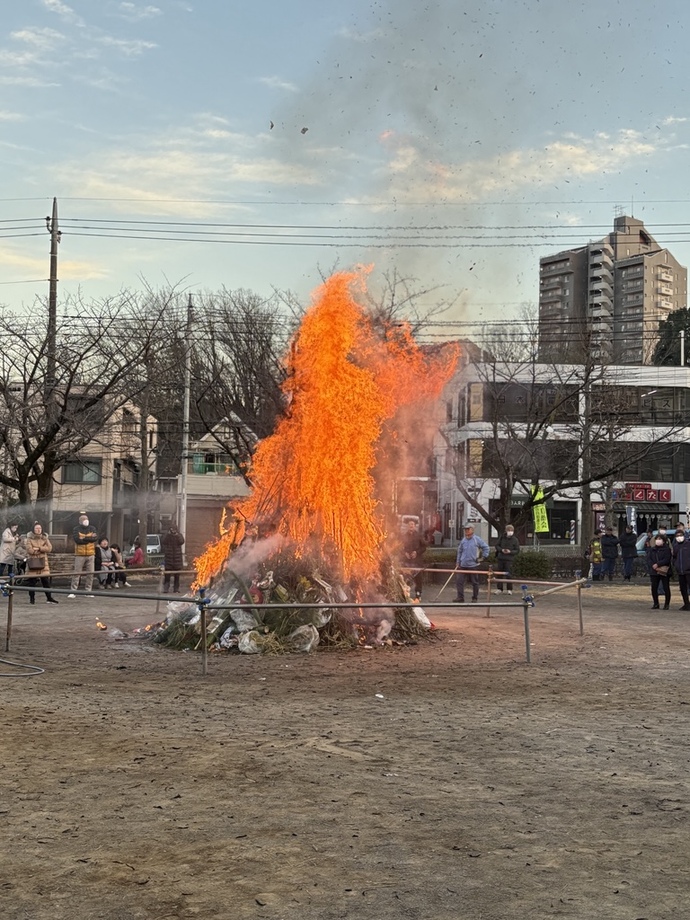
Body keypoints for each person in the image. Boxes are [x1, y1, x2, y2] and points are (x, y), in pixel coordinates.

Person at [454, 523, 489, 604]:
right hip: (463, 565)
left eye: (468, 529)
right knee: (459, 581)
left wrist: (483, 557)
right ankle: (460, 597)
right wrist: (458, 561)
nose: (466, 531)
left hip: (473, 565)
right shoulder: (463, 540)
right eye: (465, 529)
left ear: (472, 530)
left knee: (475, 582)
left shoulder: (477, 539)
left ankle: (475, 597)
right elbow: (459, 551)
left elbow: (486, 547)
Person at [25, 522, 58, 605]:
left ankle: (49, 598)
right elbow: (30, 550)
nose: (38, 530)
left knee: (46, 582)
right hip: (33, 562)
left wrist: (39, 548)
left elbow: (49, 548)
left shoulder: (45, 538)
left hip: (43, 563)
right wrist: (41, 550)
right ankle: (32, 599)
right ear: (33, 529)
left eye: (40, 528)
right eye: (36, 528)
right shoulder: (29, 539)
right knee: (31, 582)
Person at [70, 512, 98, 594]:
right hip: (79, 554)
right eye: (83, 519)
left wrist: (84, 538)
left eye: (86, 519)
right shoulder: (76, 529)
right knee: (77, 573)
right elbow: (77, 540)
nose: (85, 520)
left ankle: (88, 591)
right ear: (79, 521)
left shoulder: (92, 528)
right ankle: (73, 591)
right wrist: (89, 538)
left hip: (91, 554)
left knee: (90, 574)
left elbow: (95, 539)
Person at [400, 519, 426, 601]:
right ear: (407, 526)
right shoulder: (404, 536)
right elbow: (400, 547)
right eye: (410, 524)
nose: (411, 526)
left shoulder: (419, 536)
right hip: (407, 562)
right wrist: (405, 553)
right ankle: (406, 595)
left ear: (415, 526)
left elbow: (424, 547)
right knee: (406, 578)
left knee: (418, 579)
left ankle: (418, 594)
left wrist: (416, 552)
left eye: (413, 524)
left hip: (417, 562)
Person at [493, 523, 520, 595]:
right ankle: (499, 588)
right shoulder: (502, 537)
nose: (510, 531)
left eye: (511, 530)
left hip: (509, 559)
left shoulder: (515, 540)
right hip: (501, 558)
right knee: (499, 574)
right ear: (506, 530)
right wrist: (501, 550)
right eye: (509, 530)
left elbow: (517, 550)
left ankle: (509, 589)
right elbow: (497, 545)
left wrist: (510, 552)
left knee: (509, 574)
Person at [648, 533, 672, 610]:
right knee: (654, 587)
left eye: (660, 539)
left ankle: (666, 604)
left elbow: (667, 559)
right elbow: (649, 558)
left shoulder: (667, 549)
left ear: (664, 541)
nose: (658, 541)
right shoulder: (652, 549)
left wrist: (658, 564)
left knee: (666, 587)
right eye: (657, 539)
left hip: (664, 570)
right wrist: (653, 565)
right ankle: (656, 603)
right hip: (654, 571)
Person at [162, 523, 185, 595]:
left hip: (177, 558)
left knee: (177, 575)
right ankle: (166, 588)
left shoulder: (179, 535)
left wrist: (177, 535)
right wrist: (168, 535)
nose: (172, 531)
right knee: (167, 575)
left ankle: (176, 588)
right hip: (169, 558)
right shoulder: (167, 535)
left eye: (174, 529)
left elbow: (181, 541)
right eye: (171, 529)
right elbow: (163, 541)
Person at [672, 530, 690, 611]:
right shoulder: (675, 546)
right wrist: (676, 565)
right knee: (683, 588)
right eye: (677, 536)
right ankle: (686, 604)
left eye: (680, 535)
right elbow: (674, 557)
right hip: (680, 571)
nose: (679, 537)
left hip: (689, 571)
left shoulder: (688, 544)